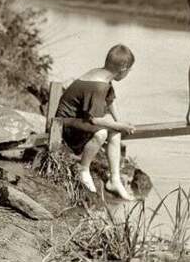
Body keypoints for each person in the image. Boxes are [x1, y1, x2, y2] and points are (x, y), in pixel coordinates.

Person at [55, 44, 136, 200]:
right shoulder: (98, 85)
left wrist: (119, 122)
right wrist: (120, 125)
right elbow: (95, 119)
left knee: (114, 130)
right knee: (102, 132)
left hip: (78, 120)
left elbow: (110, 100)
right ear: (123, 69)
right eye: (129, 71)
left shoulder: (103, 75)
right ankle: (83, 169)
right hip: (63, 125)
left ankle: (114, 179)